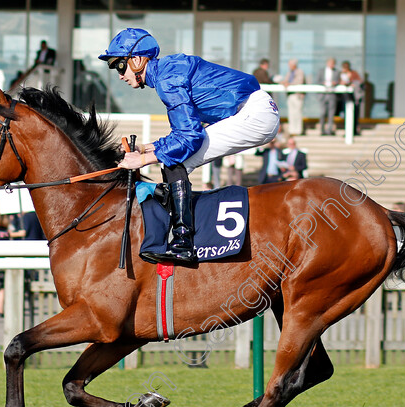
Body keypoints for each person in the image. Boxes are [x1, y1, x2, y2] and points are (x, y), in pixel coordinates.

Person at [101, 28, 279, 263]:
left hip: (254, 115)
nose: (120, 75)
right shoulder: (167, 71)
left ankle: (184, 242)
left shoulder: (167, 79)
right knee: (173, 157)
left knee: (177, 161)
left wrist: (143, 160)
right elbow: (183, 134)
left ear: (137, 60)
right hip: (255, 110)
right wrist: (147, 148)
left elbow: (189, 137)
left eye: (120, 66)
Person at [282, 59, 305, 136]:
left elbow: (299, 81)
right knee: (291, 113)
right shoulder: (289, 72)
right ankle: (292, 130)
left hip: (297, 94)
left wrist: (289, 84)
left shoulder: (299, 72)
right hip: (290, 95)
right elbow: (286, 80)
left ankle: (298, 130)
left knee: (297, 113)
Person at [339, 60, 363, 136]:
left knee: (355, 115)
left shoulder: (354, 74)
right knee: (346, 115)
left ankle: (355, 130)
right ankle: (347, 131)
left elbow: (359, 82)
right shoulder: (341, 74)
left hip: (354, 98)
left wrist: (351, 82)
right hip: (345, 98)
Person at [318, 58, 340, 136]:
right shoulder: (321, 71)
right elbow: (318, 81)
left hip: (332, 94)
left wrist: (335, 83)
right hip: (323, 94)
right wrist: (323, 83)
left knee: (331, 113)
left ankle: (329, 130)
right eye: (330, 63)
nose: (332, 65)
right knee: (323, 112)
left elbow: (338, 81)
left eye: (333, 63)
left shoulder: (337, 72)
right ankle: (322, 129)